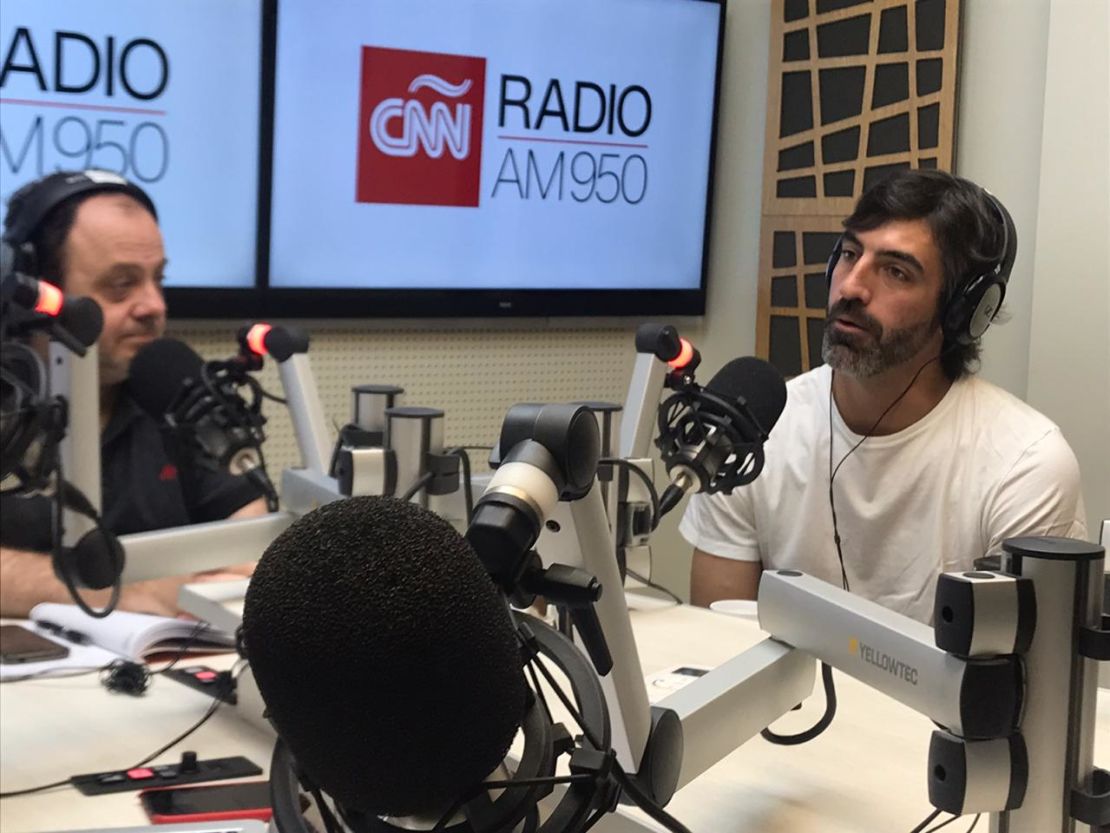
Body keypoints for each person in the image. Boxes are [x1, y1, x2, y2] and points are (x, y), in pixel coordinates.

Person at [681, 169, 1087, 623]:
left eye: (896, 271)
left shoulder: (1025, 466)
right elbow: (716, 650)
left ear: (963, 312)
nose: (852, 286)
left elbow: (1023, 681)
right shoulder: (749, 428)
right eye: (850, 253)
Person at [0, 170, 268, 617]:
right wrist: (123, 596)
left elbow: (248, 541)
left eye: (157, 279)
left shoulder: (174, 390)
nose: (154, 307)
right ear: (31, 291)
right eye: (121, 285)